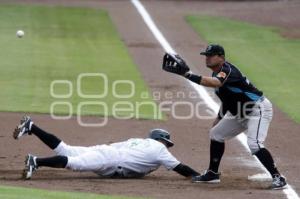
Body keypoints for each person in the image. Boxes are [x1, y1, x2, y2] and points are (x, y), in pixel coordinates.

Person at [162, 44, 287, 189]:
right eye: (206, 56)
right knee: (216, 134)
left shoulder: (227, 70)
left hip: (257, 109)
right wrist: (219, 118)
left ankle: (278, 178)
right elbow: (227, 99)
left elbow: (215, 83)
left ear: (221, 57)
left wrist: (188, 74)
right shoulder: (217, 73)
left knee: (254, 144)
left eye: (211, 55)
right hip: (240, 112)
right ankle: (212, 174)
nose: (207, 58)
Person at [13, 116, 199, 180]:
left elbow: (112, 147)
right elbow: (180, 168)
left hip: (107, 152)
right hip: (111, 160)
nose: (167, 146)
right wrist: (197, 176)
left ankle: (31, 126)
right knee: (73, 163)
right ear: (161, 140)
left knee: (66, 150)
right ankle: (35, 161)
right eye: (167, 142)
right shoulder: (159, 149)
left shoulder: (137, 141)